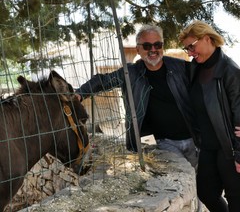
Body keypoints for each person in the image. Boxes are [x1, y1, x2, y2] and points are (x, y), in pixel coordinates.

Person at [76, 24, 200, 168]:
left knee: (200, 180)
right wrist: (79, 94)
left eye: (157, 45)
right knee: (180, 174)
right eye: (147, 46)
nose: (153, 50)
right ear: (138, 49)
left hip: (193, 138)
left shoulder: (180, 67)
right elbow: (102, 81)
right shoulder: (130, 73)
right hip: (161, 143)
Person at [179, 20, 240, 212]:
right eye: (186, 48)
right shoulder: (195, 68)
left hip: (228, 147)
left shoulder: (230, 71)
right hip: (207, 146)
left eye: (192, 46)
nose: (189, 52)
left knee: (236, 198)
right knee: (206, 192)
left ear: (207, 38)